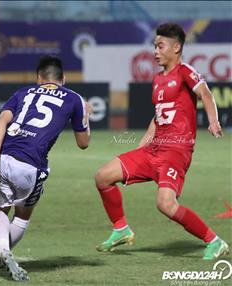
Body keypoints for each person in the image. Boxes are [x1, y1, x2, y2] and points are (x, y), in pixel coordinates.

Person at [94, 23, 229, 260]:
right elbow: (157, 119)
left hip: (176, 151)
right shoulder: (157, 79)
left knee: (165, 204)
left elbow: (205, 93)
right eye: (154, 46)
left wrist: (213, 121)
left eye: (160, 46)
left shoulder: (185, 71)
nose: (155, 51)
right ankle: (121, 229)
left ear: (176, 48)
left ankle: (214, 241)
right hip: (154, 150)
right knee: (103, 176)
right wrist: (140, 148)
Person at [0, 56, 91, 281]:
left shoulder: (23, 93)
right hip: (31, 167)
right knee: (22, 216)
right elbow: (83, 143)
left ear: (38, 78)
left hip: (3, 158)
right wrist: (86, 115)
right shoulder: (75, 99)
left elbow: (2, 120)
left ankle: (0, 253)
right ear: (64, 79)